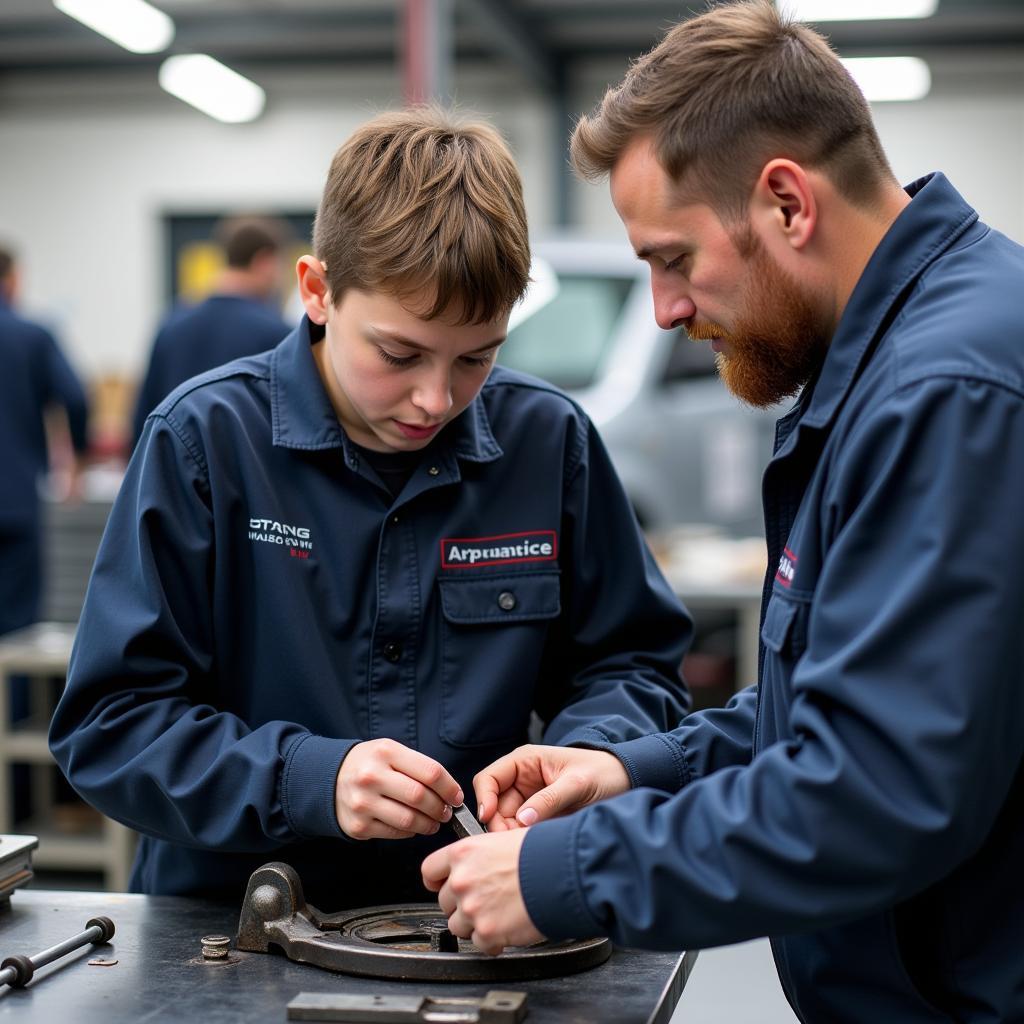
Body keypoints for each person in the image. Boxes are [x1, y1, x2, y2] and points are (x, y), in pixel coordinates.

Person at [421, 3, 1024, 1021]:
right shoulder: (888, 370)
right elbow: (836, 707)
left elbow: (878, 788)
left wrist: (562, 874)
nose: (663, 309)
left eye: (671, 259)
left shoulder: (948, 392)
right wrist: (628, 768)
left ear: (786, 202)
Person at [48, 108, 692, 909]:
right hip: (227, 930)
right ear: (317, 291)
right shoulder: (205, 443)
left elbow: (629, 664)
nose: (435, 398)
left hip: (478, 925)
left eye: (477, 359)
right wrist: (306, 778)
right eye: (398, 354)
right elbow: (111, 727)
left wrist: (583, 761)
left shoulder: (548, 441)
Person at [131, 215, 291, 448]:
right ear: (264, 261)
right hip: (245, 475)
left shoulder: (171, 324)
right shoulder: (278, 333)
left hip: (176, 468)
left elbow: (143, 417)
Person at [0, 246, 89, 637]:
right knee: (18, 629)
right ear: (12, 279)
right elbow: (74, 397)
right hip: (15, 498)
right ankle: (15, 701)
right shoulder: (31, 335)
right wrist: (77, 462)